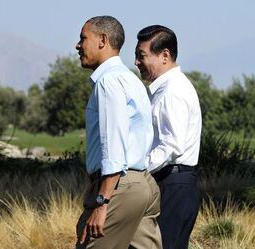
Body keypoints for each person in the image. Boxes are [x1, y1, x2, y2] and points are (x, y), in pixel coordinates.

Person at [75, 16, 162, 249]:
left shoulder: (108, 82)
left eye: (83, 38)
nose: (78, 45)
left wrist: (102, 201)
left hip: (118, 186)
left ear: (102, 40)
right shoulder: (130, 80)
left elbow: (113, 144)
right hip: (143, 185)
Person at [134, 25, 202, 249]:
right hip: (170, 182)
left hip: (173, 183)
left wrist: (138, 169)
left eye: (141, 56)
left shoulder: (173, 91)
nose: (136, 62)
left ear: (164, 55)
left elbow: (172, 143)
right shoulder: (165, 89)